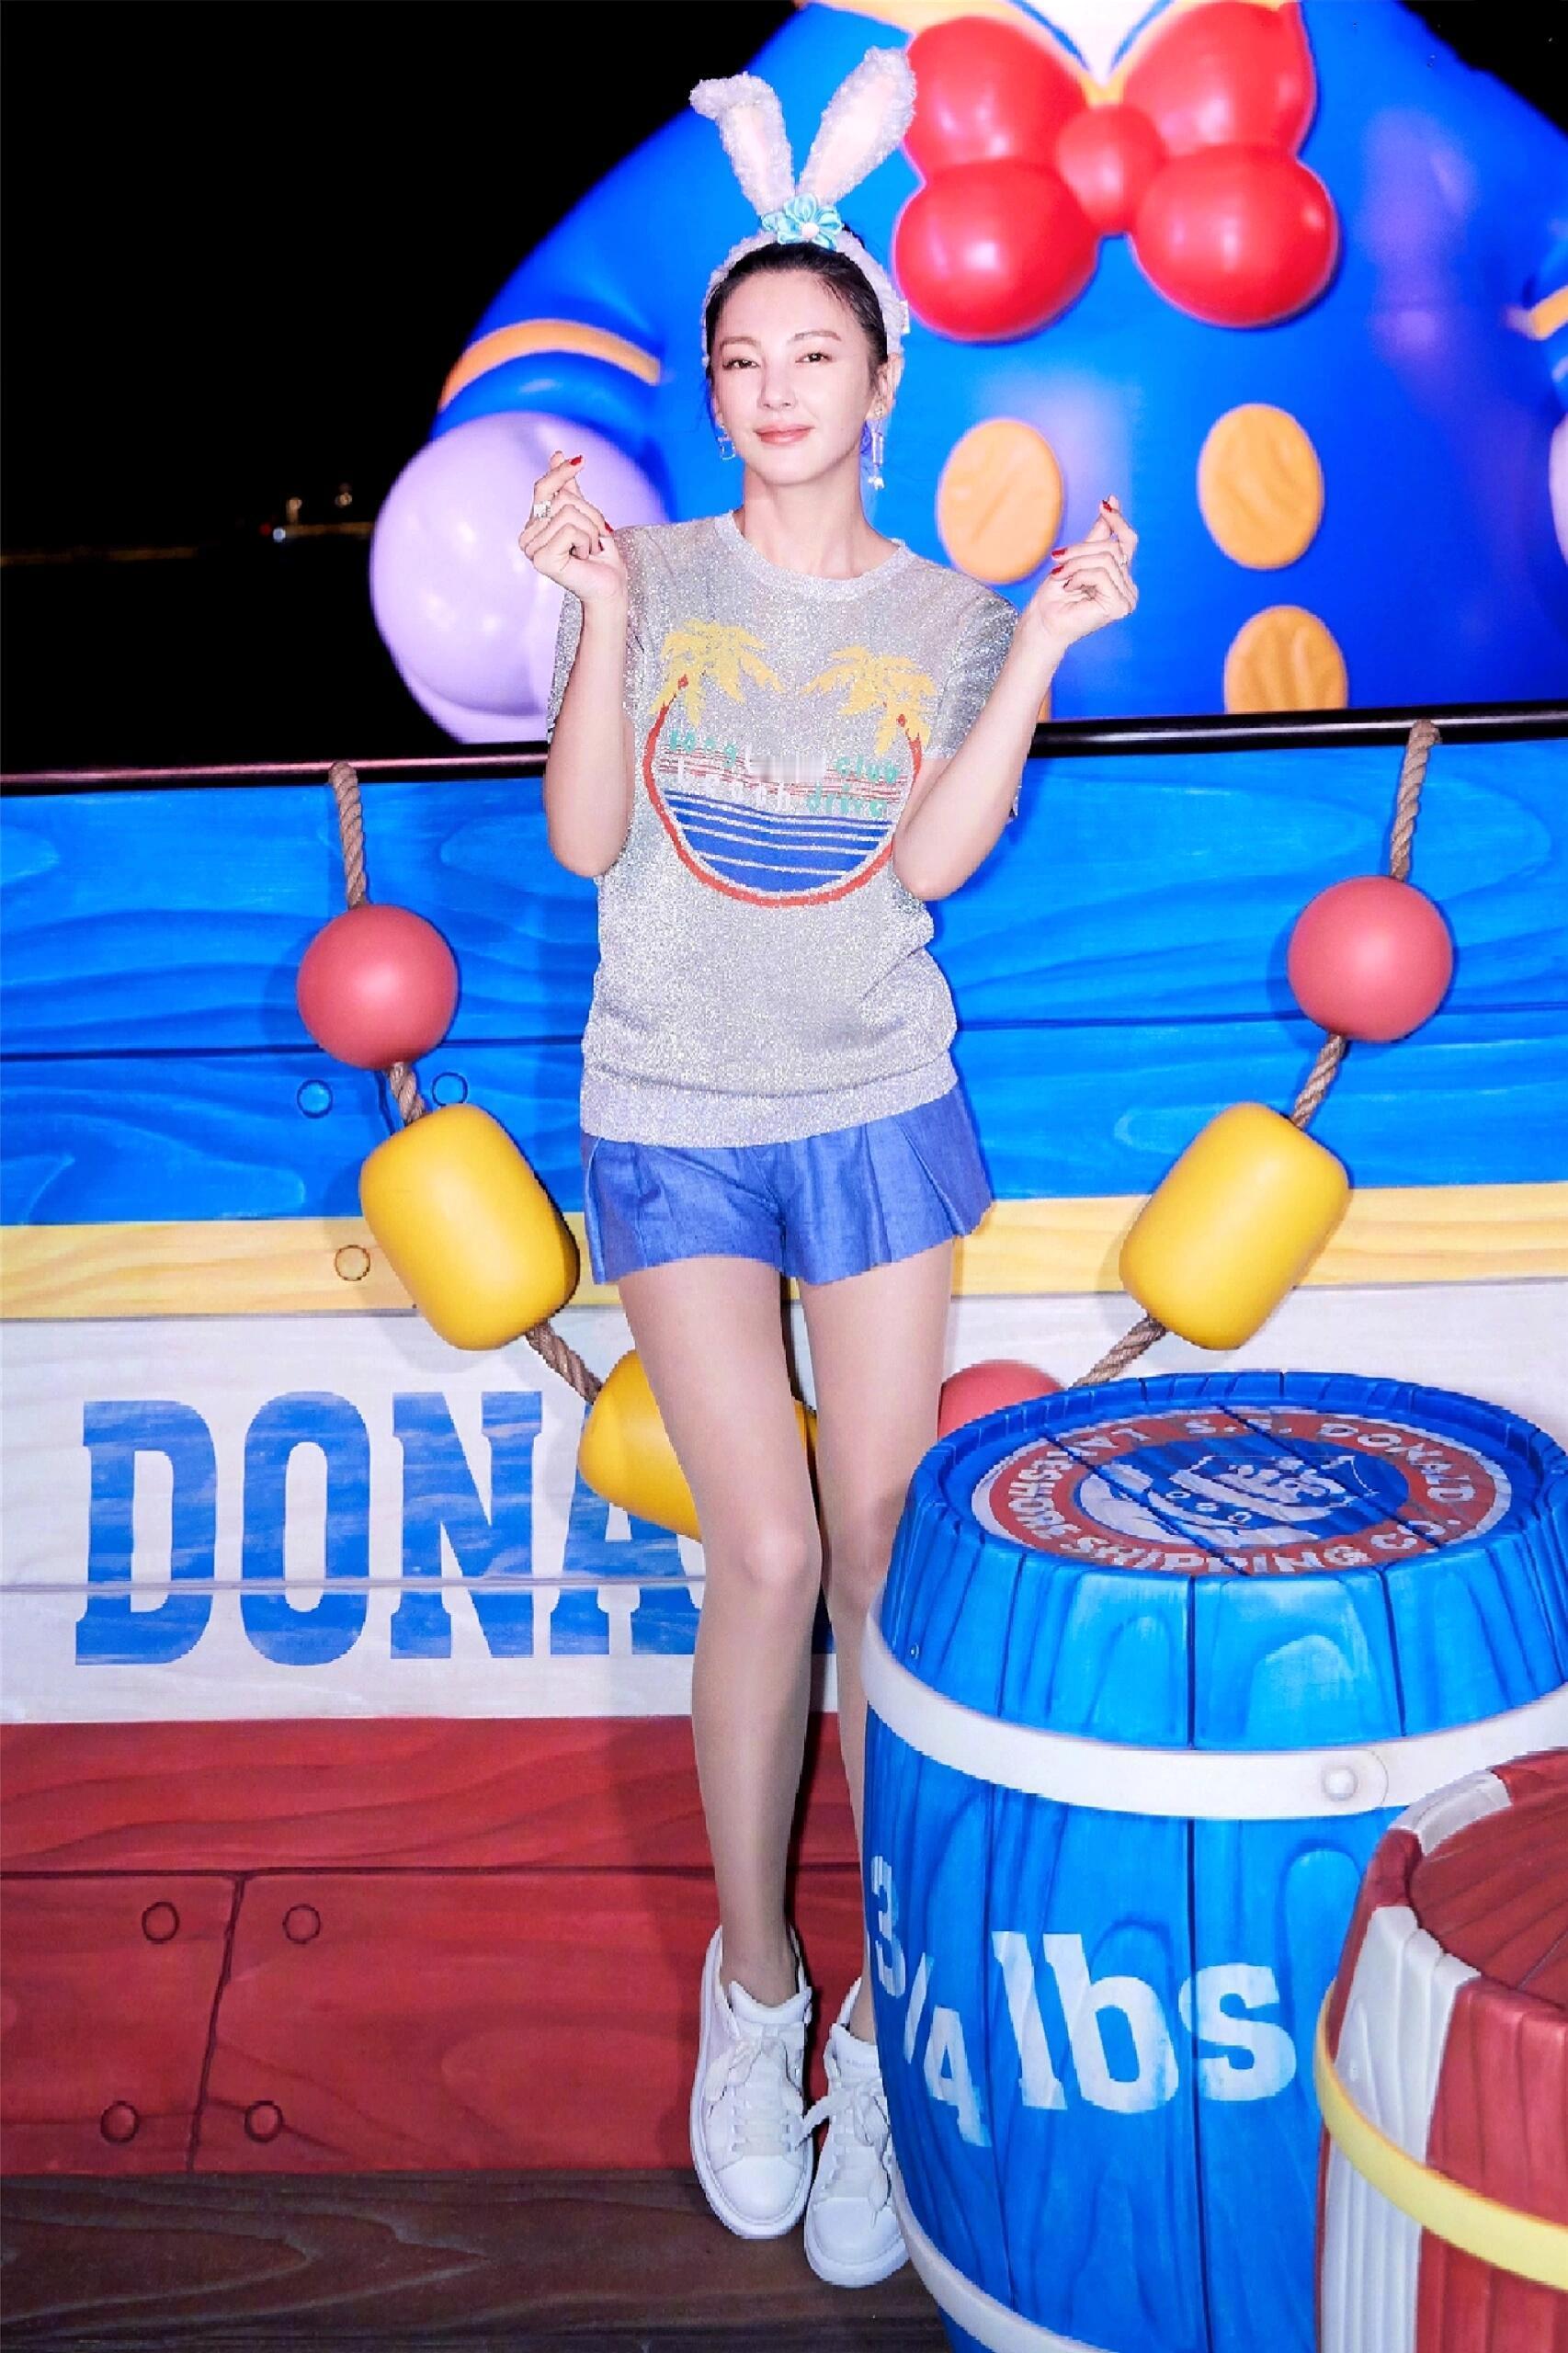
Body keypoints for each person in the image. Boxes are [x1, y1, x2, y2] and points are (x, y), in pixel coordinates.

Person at [520, 46, 1137, 2290]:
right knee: (764, 1551)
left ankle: (883, 2025)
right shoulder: (648, 570)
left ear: (880, 382)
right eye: (740, 360)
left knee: (880, 1555)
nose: (773, 387)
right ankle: (759, 1987)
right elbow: (582, 835)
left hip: (876, 1103)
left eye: (811, 354)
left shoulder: (948, 615)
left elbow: (934, 861)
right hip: (671, 1108)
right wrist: (599, 616)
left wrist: (1039, 644)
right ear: (715, 394)